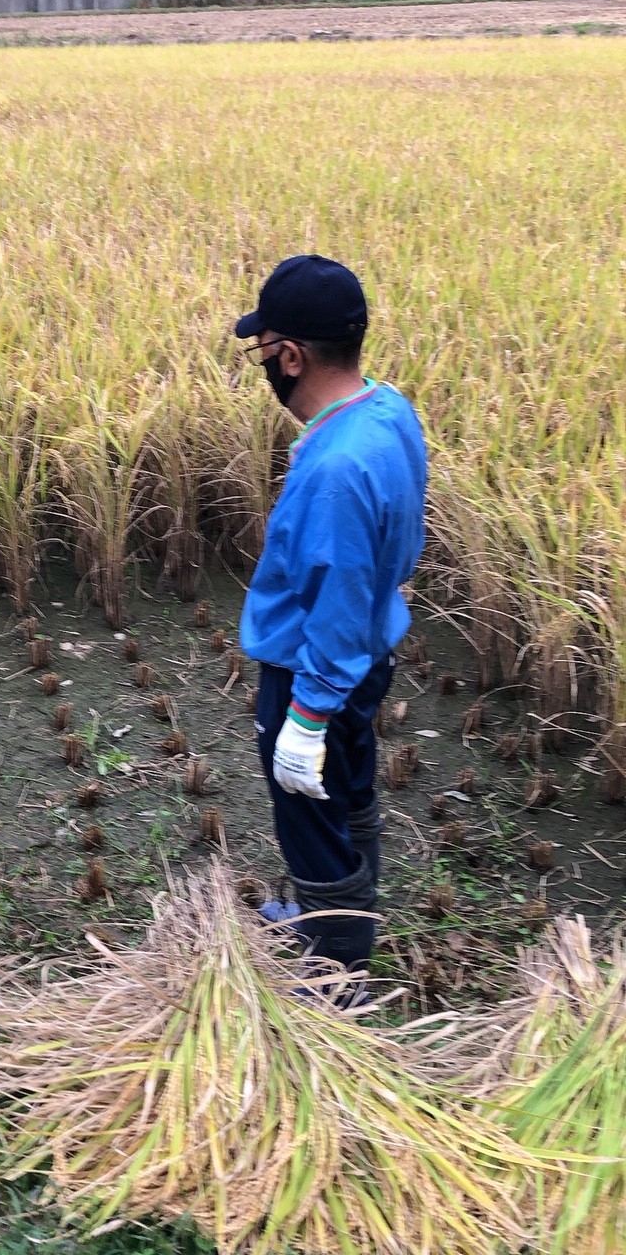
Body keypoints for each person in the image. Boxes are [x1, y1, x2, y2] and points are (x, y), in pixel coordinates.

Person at [234, 256, 427, 973]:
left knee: (310, 819)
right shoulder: (386, 409)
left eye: (265, 351)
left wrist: (306, 720)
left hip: (313, 668)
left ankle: (333, 974)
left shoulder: (337, 468)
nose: (265, 367)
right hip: (368, 653)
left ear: (290, 356)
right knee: (348, 796)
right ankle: (336, 923)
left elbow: (337, 602)